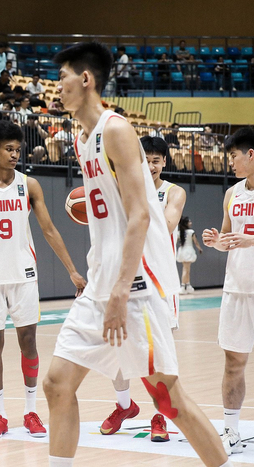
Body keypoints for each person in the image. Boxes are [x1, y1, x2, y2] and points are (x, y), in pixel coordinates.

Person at [43, 41, 231, 467]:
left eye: (62, 77)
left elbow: (141, 216)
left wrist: (121, 290)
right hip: (100, 281)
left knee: (168, 400)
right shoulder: (82, 139)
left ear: (85, 79)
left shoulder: (116, 130)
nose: (57, 86)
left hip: (135, 288)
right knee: (57, 384)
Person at [0, 119, 86, 439]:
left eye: (18, 149)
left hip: (24, 275)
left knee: (28, 341)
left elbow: (49, 230)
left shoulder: (29, 185)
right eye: (9, 149)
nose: (15, 154)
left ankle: (31, 411)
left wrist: (72, 270)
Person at [99, 136, 187, 442]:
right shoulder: (120, 189)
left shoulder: (174, 192)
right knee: (116, 348)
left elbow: (166, 226)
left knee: (162, 355)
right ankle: (124, 406)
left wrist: (133, 211)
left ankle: (160, 416)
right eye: (144, 160)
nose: (149, 166)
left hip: (160, 283)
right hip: (126, 280)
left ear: (164, 162)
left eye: (155, 161)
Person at [202, 126, 254, 457]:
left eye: (233, 156)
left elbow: (247, 239)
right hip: (237, 289)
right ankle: (231, 431)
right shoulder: (231, 193)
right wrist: (217, 242)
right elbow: (228, 238)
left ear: (251, 154)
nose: (230, 163)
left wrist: (252, 240)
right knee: (233, 363)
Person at [176, 216, 202, 294]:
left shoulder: (179, 232)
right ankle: (183, 286)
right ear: (186, 223)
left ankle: (187, 285)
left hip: (182, 251)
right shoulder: (191, 232)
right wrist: (200, 249)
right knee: (186, 269)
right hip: (188, 251)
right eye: (189, 221)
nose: (191, 223)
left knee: (187, 269)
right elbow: (196, 242)